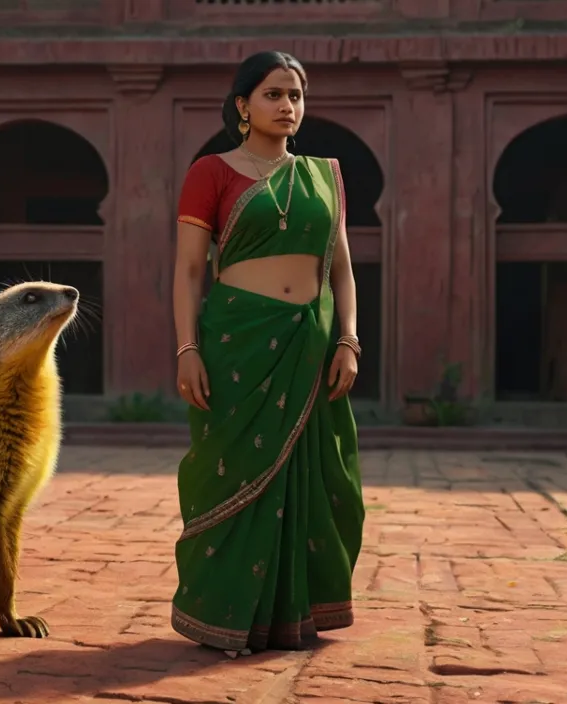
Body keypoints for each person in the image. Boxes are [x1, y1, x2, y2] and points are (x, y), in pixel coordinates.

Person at [169, 50, 366, 655]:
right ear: (243, 105)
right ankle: (225, 614)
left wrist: (349, 339)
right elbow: (188, 271)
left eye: (296, 96)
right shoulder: (212, 172)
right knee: (229, 472)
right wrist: (187, 349)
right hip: (237, 347)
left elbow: (342, 271)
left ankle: (292, 613)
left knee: (315, 478)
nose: (288, 106)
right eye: (274, 94)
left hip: (309, 345)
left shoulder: (325, 174)